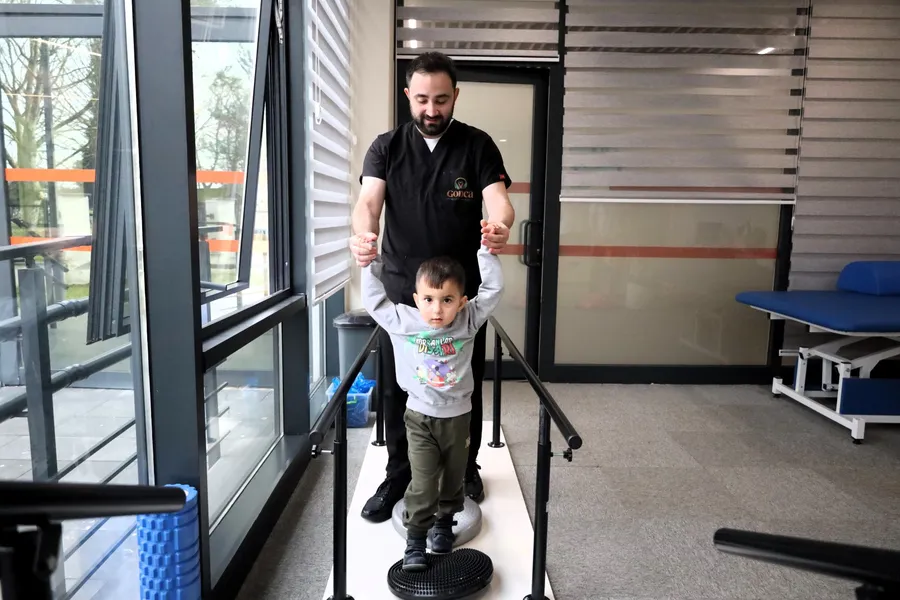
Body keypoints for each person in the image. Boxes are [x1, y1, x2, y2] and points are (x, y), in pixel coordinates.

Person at [350, 51, 515, 523]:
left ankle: (465, 467)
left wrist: (501, 227)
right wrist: (364, 236)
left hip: (459, 296)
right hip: (405, 292)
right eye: (422, 99)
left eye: (441, 100)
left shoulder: (477, 145)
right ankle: (398, 474)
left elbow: (499, 203)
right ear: (408, 95)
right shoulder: (386, 147)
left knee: (463, 381)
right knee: (399, 389)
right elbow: (368, 202)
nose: (431, 109)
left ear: (455, 95)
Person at [360, 234, 503, 570]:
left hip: (458, 419)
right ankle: (415, 540)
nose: (437, 309)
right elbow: (374, 300)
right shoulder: (404, 321)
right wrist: (371, 263)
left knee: (453, 479)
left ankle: (444, 523)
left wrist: (487, 252)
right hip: (420, 418)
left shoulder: (468, 320)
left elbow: (492, 291)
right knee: (424, 483)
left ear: (462, 301)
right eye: (428, 299)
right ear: (416, 299)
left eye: (447, 300)